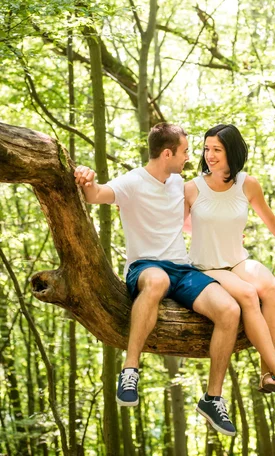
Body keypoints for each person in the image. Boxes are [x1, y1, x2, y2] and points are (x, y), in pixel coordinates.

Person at [74, 123, 241, 436]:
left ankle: (212, 398)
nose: (190, 158)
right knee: (157, 282)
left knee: (230, 311)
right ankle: (130, 370)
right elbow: (96, 195)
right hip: (145, 266)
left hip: (182, 268)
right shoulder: (133, 182)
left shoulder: (178, 184)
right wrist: (86, 177)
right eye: (185, 152)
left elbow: (194, 221)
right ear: (167, 153)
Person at [185, 123, 275, 409]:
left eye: (217, 150)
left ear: (232, 152)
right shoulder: (191, 188)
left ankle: (266, 375)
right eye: (206, 149)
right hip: (205, 266)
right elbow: (175, 225)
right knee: (249, 296)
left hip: (238, 260)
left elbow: (272, 222)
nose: (209, 155)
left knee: (271, 288)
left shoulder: (247, 184)